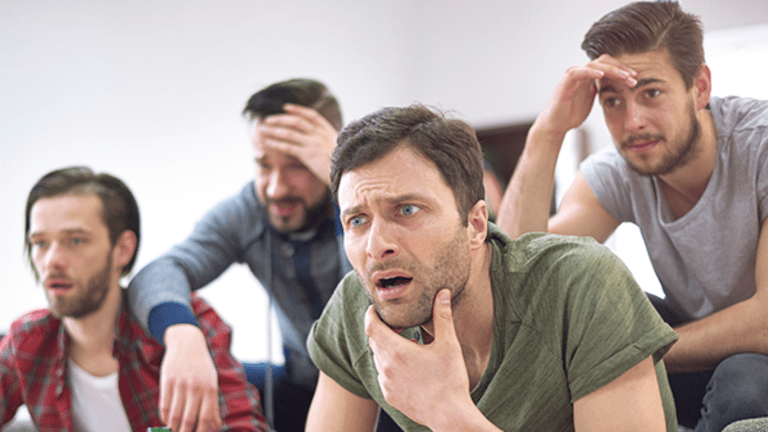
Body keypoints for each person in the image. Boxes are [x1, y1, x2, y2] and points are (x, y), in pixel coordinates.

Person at [305, 104, 679, 431]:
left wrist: (446, 413)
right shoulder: (357, 308)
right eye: (357, 220)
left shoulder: (582, 284)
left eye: (407, 210)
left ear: (476, 224)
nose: (376, 246)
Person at [495, 2, 768, 431]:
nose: (632, 122)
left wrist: (625, 354)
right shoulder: (616, 172)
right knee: (600, 308)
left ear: (699, 87)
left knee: (746, 380)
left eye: (651, 94)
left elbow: (764, 323)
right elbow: (516, 277)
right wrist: (547, 131)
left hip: (757, 360)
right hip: (699, 352)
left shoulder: (760, 144)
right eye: (613, 101)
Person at [126, 78, 363, 432]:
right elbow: (160, 272)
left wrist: (347, 181)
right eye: (264, 165)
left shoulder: (372, 202)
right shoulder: (248, 211)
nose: (276, 188)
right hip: (302, 386)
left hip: (383, 389)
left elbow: (369, 294)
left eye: (298, 165)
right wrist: (181, 335)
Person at [0, 166, 268, 431]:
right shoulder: (27, 341)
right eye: (40, 243)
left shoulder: (183, 325)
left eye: (76, 241)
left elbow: (243, 426)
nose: (51, 261)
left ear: (123, 249)